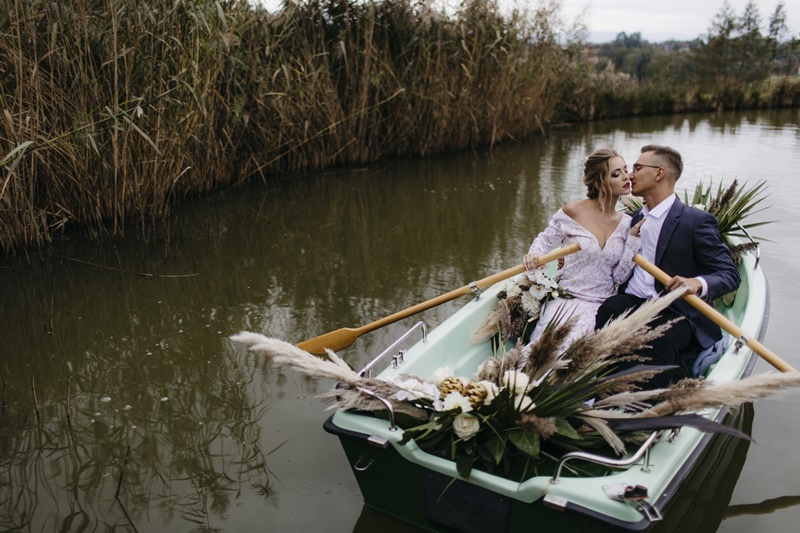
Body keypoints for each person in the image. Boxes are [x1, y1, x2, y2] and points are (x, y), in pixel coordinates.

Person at [594, 144, 741, 388]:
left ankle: (641, 408)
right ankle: (604, 388)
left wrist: (697, 283)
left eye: (637, 168)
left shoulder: (695, 221)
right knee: (610, 308)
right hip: (635, 299)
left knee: (659, 337)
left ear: (659, 173)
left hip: (677, 309)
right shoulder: (637, 219)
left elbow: (729, 275)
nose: (630, 175)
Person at [522, 148, 643, 349]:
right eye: (616, 174)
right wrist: (535, 254)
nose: (626, 177)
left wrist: (632, 242)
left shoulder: (627, 224)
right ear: (598, 184)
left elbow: (619, 278)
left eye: (625, 170)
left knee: (574, 346)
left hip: (600, 304)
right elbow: (544, 240)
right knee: (544, 349)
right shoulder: (573, 211)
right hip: (567, 298)